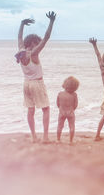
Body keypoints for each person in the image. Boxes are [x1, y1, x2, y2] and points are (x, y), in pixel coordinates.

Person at [15, 11, 56, 143]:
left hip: (26, 84)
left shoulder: (21, 52)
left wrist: (22, 24)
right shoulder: (34, 53)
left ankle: (34, 137)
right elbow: (46, 37)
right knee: (46, 109)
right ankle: (45, 137)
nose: (38, 45)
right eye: (36, 43)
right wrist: (51, 21)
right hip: (37, 84)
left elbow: (19, 38)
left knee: (30, 110)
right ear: (33, 43)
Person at [57, 76, 79, 144]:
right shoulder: (74, 95)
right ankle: (71, 141)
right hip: (70, 112)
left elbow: (57, 103)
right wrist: (72, 109)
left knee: (60, 126)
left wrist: (61, 109)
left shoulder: (60, 94)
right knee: (72, 126)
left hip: (62, 112)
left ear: (65, 84)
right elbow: (76, 105)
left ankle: (58, 139)